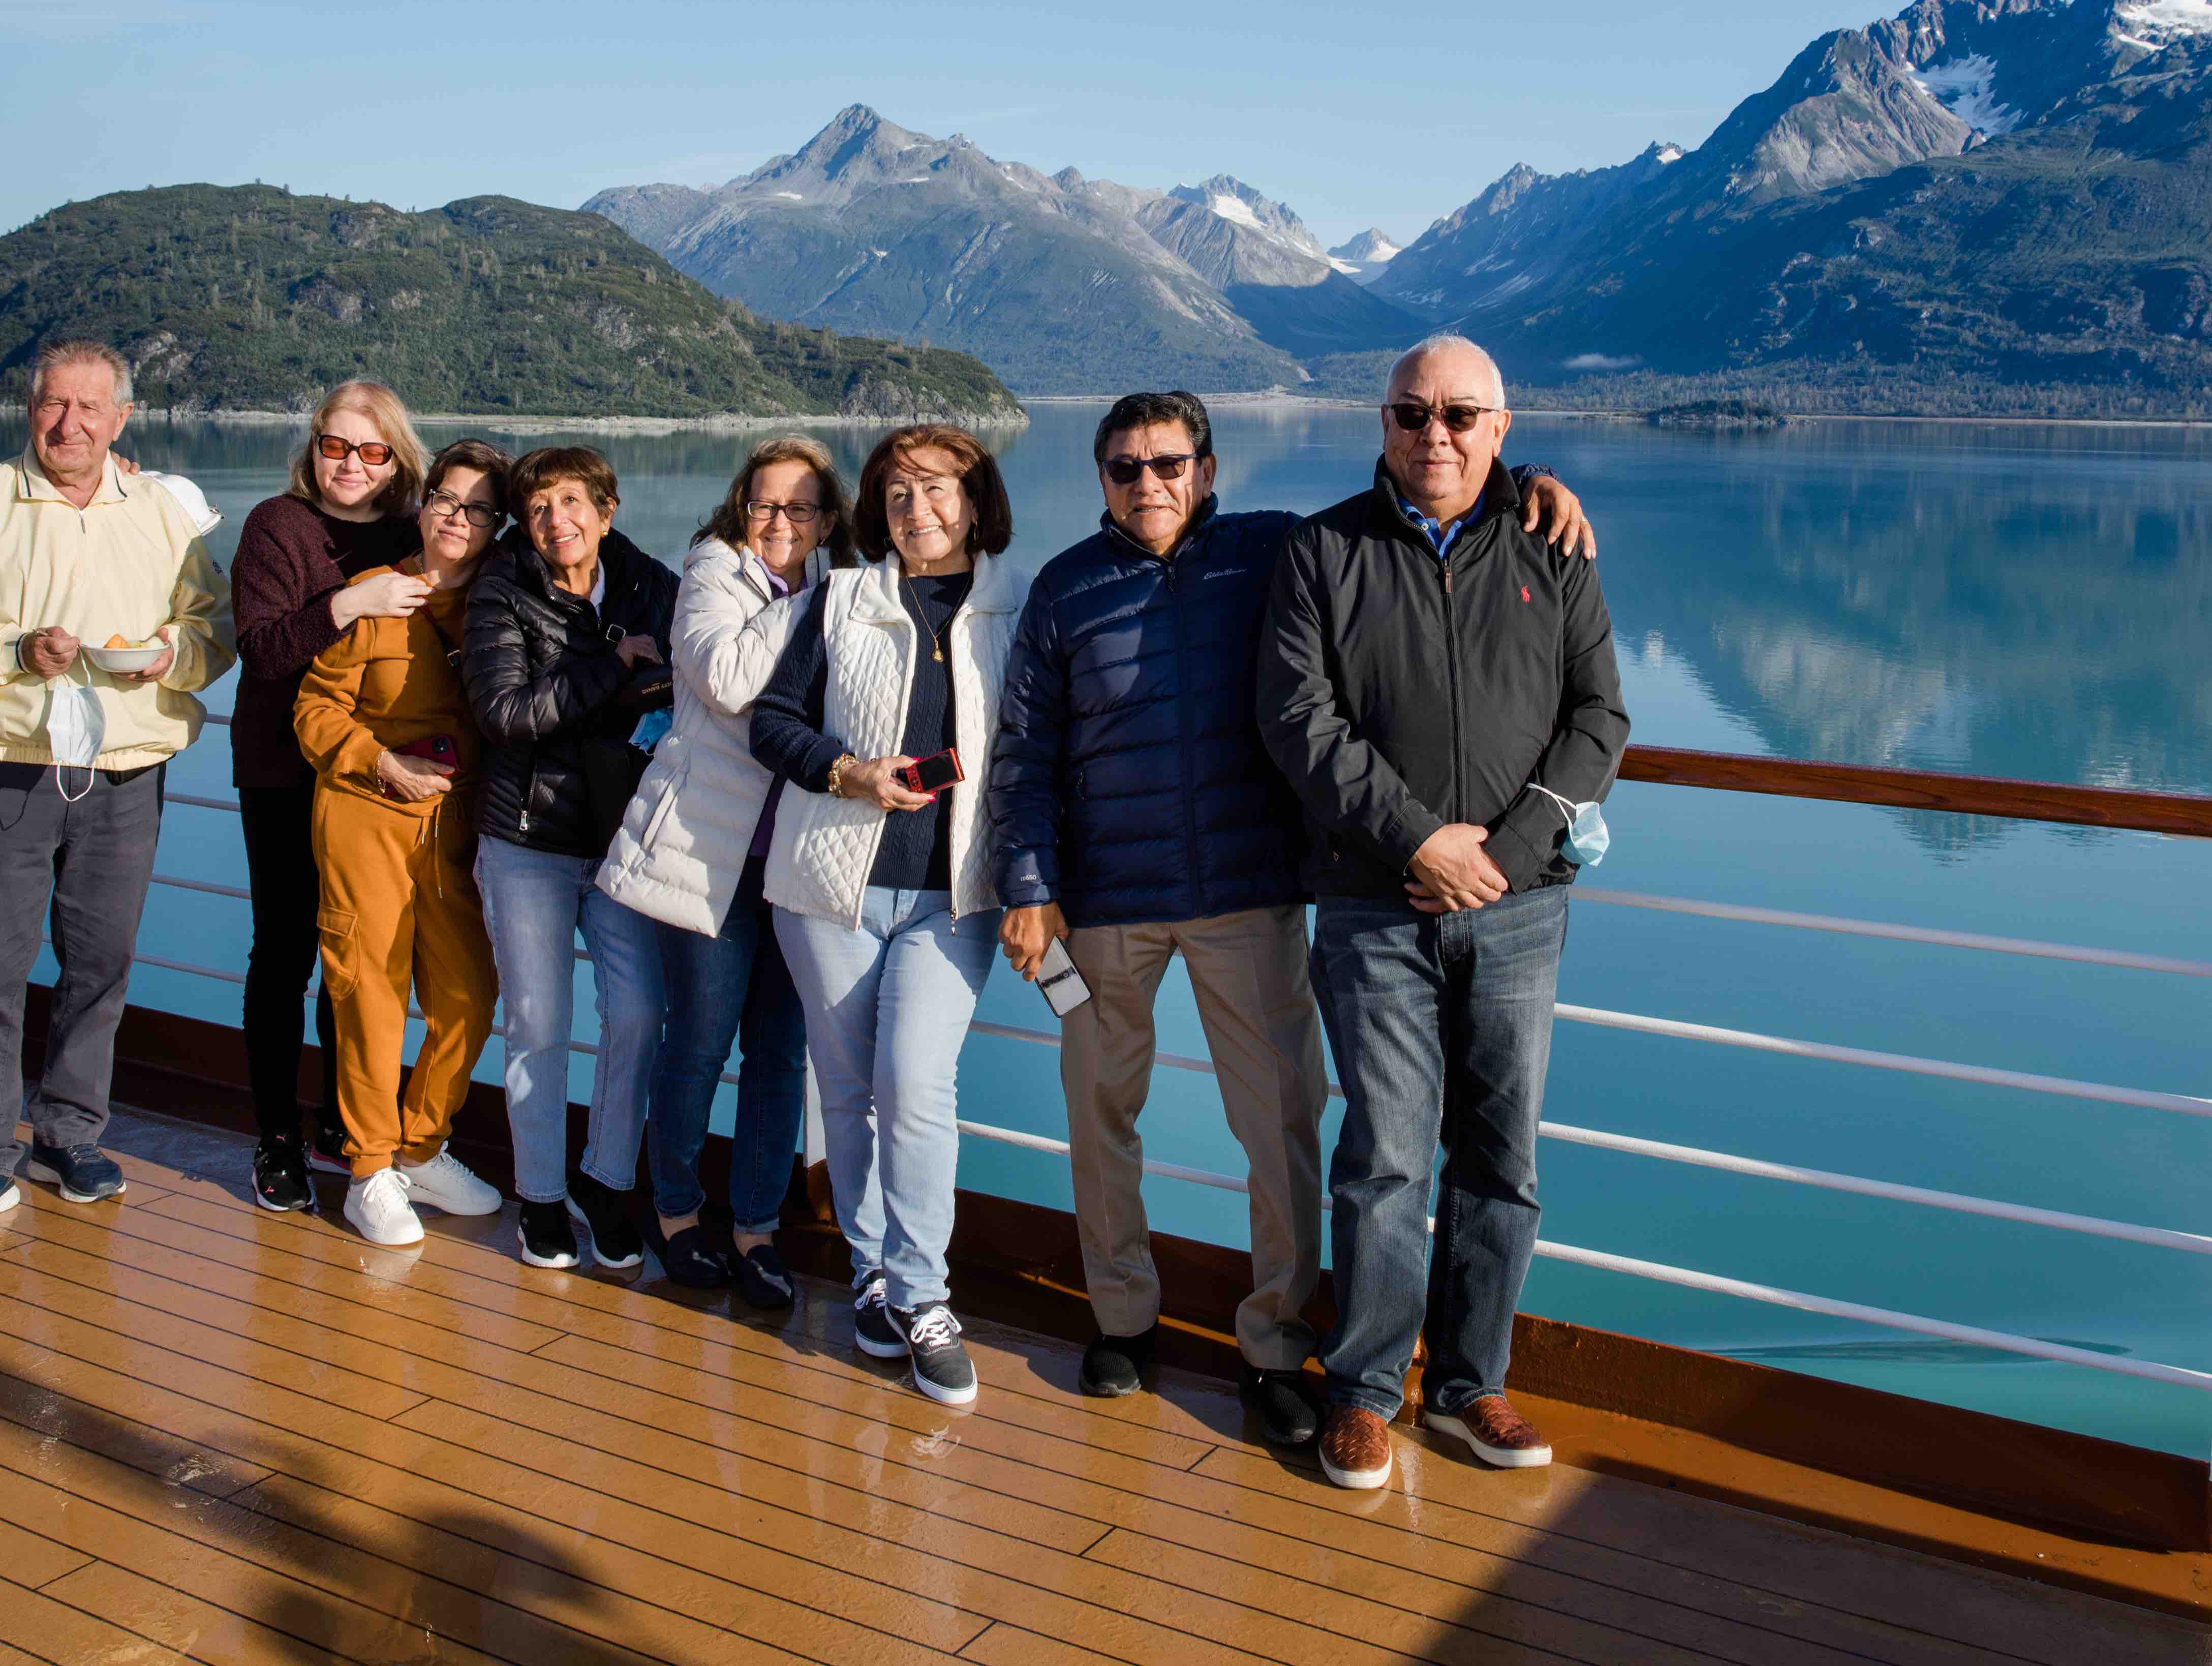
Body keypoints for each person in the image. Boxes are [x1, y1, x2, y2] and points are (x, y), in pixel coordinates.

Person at [989, 391, 1593, 1441]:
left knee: (1278, 1128)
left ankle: (1274, 1339)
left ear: (1209, 470)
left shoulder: (1279, 552)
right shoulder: (1063, 591)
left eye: (1170, 463)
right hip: (1105, 906)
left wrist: (1527, 478)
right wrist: (1031, 885)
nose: (1149, 484)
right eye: (1125, 468)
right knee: (1101, 1117)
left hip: (1250, 894)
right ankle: (1124, 1319)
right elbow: (1025, 756)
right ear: (1101, 481)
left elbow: (1418, 482)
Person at [1254, 336, 1629, 1492]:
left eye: (1463, 415)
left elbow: (1599, 718)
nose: (1438, 434)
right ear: (1382, 420)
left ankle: (1472, 1384)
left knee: (1501, 1157)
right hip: (1373, 904)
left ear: (1502, 429)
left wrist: (1506, 856)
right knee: (1384, 1158)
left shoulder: (1553, 546)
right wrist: (1420, 839)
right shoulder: (1323, 551)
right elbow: (1297, 720)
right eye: (1414, 412)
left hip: (1517, 910)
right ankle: (1366, 1388)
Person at [0, 338, 234, 1246]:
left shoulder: (158, 511)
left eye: (89, 409)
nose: (68, 424)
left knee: (100, 967)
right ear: (29, 408)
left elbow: (212, 631)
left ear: (123, 418)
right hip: (2, 767)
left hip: (124, 773)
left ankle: (69, 1135)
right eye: (51, 405)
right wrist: (12, 653)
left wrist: (168, 656)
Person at [750, 425, 1024, 1408]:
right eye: (898, 492)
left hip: (957, 898)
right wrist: (849, 771)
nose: (918, 509)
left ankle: (924, 1296)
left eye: (938, 487)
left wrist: (1039, 886)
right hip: (832, 886)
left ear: (975, 496)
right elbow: (771, 725)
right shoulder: (840, 598)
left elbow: (1035, 759)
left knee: (916, 1083)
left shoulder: (1012, 605)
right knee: (852, 1086)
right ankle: (870, 1272)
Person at [598, 438, 849, 1310]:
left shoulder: (830, 582)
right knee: (700, 1041)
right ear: (741, 507)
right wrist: (813, 601)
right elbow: (729, 679)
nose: (780, 523)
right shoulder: (713, 572)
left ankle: (755, 1229)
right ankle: (674, 1211)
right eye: (766, 505)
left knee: (780, 1052)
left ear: (826, 517)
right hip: (711, 859)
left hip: (795, 862)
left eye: (801, 508)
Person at [462, 444, 679, 1271]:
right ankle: (542, 1199)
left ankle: (605, 1181)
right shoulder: (500, 594)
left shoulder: (649, 585)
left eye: (573, 501)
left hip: (623, 842)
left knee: (636, 1016)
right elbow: (507, 714)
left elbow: (680, 683)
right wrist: (607, 670)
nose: (558, 520)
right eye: (540, 506)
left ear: (607, 508)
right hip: (528, 841)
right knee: (539, 1028)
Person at [294, 439, 512, 1249]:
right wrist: (380, 760)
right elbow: (315, 711)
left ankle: (421, 1147)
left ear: (498, 526)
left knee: (468, 998)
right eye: (448, 501)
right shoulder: (374, 596)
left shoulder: (503, 603)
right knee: (371, 998)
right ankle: (369, 1170)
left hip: (454, 829)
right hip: (364, 816)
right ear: (424, 506)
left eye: (480, 509)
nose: (459, 519)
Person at [227, 381, 426, 1213]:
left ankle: (349, 1127)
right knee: (285, 957)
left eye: (371, 450)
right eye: (335, 446)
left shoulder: (415, 532)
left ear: (397, 460)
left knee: (363, 965)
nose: (350, 464)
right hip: (283, 774)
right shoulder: (278, 525)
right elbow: (266, 651)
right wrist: (355, 600)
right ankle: (277, 1137)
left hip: (373, 782)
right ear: (313, 450)